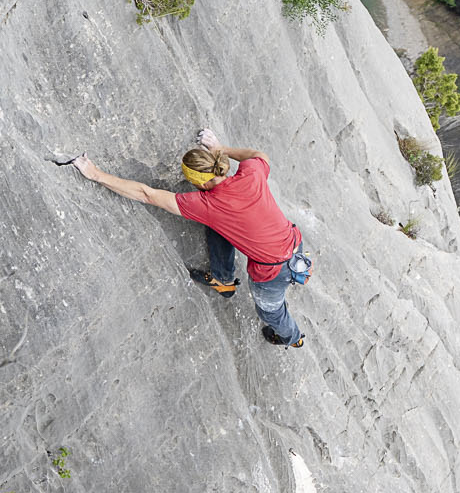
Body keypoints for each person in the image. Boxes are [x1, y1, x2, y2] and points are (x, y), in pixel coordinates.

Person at [73, 130, 308, 348]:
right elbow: (259, 155)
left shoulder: (208, 204)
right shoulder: (252, 174)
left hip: (272, 272)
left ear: (201, 182)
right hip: (294, 243)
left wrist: (96, 174)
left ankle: (292, 338)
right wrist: (220, 148)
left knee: (271, 311)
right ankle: (223, 279)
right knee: (218, 225)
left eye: (194, 183)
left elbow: (147, 194)